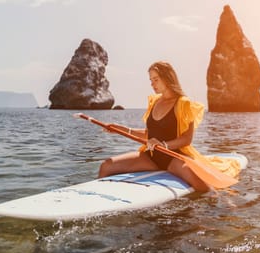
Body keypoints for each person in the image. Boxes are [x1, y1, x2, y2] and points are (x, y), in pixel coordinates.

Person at [99, 61, 240, 192]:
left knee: (203, 186)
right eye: (151, 80)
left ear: (167, 78)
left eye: (156, 79)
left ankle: (214, 206)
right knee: (106, 166)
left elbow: (186, 139)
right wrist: (118, 129)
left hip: (174, 158)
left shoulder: (184, 104)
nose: (152, 84)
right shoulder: (154, 102)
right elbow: (149, 134)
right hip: (150, 157)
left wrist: (163, 145)